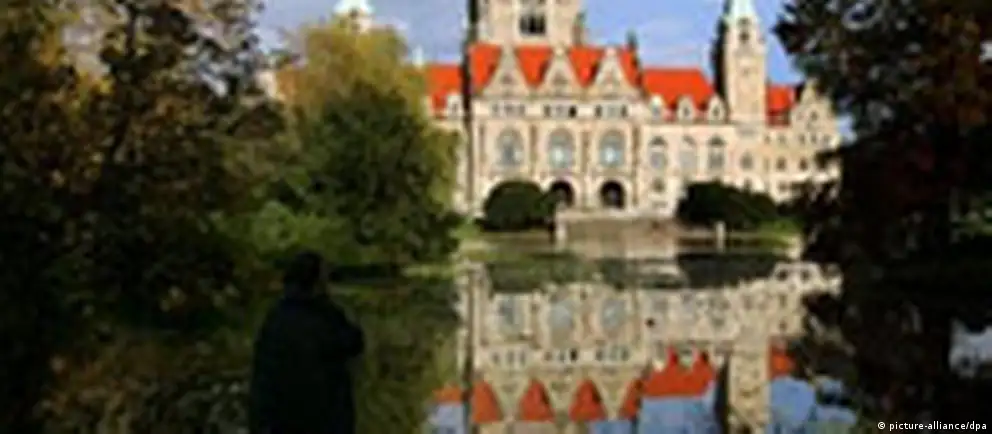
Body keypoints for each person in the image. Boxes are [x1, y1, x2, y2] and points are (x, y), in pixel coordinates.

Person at [249, 251, 365, 434]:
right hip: (324, 418)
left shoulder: (276, 317)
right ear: (317, 281)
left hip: (285, 420)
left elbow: (263, 376)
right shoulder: (325, 316)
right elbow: (353, 343)